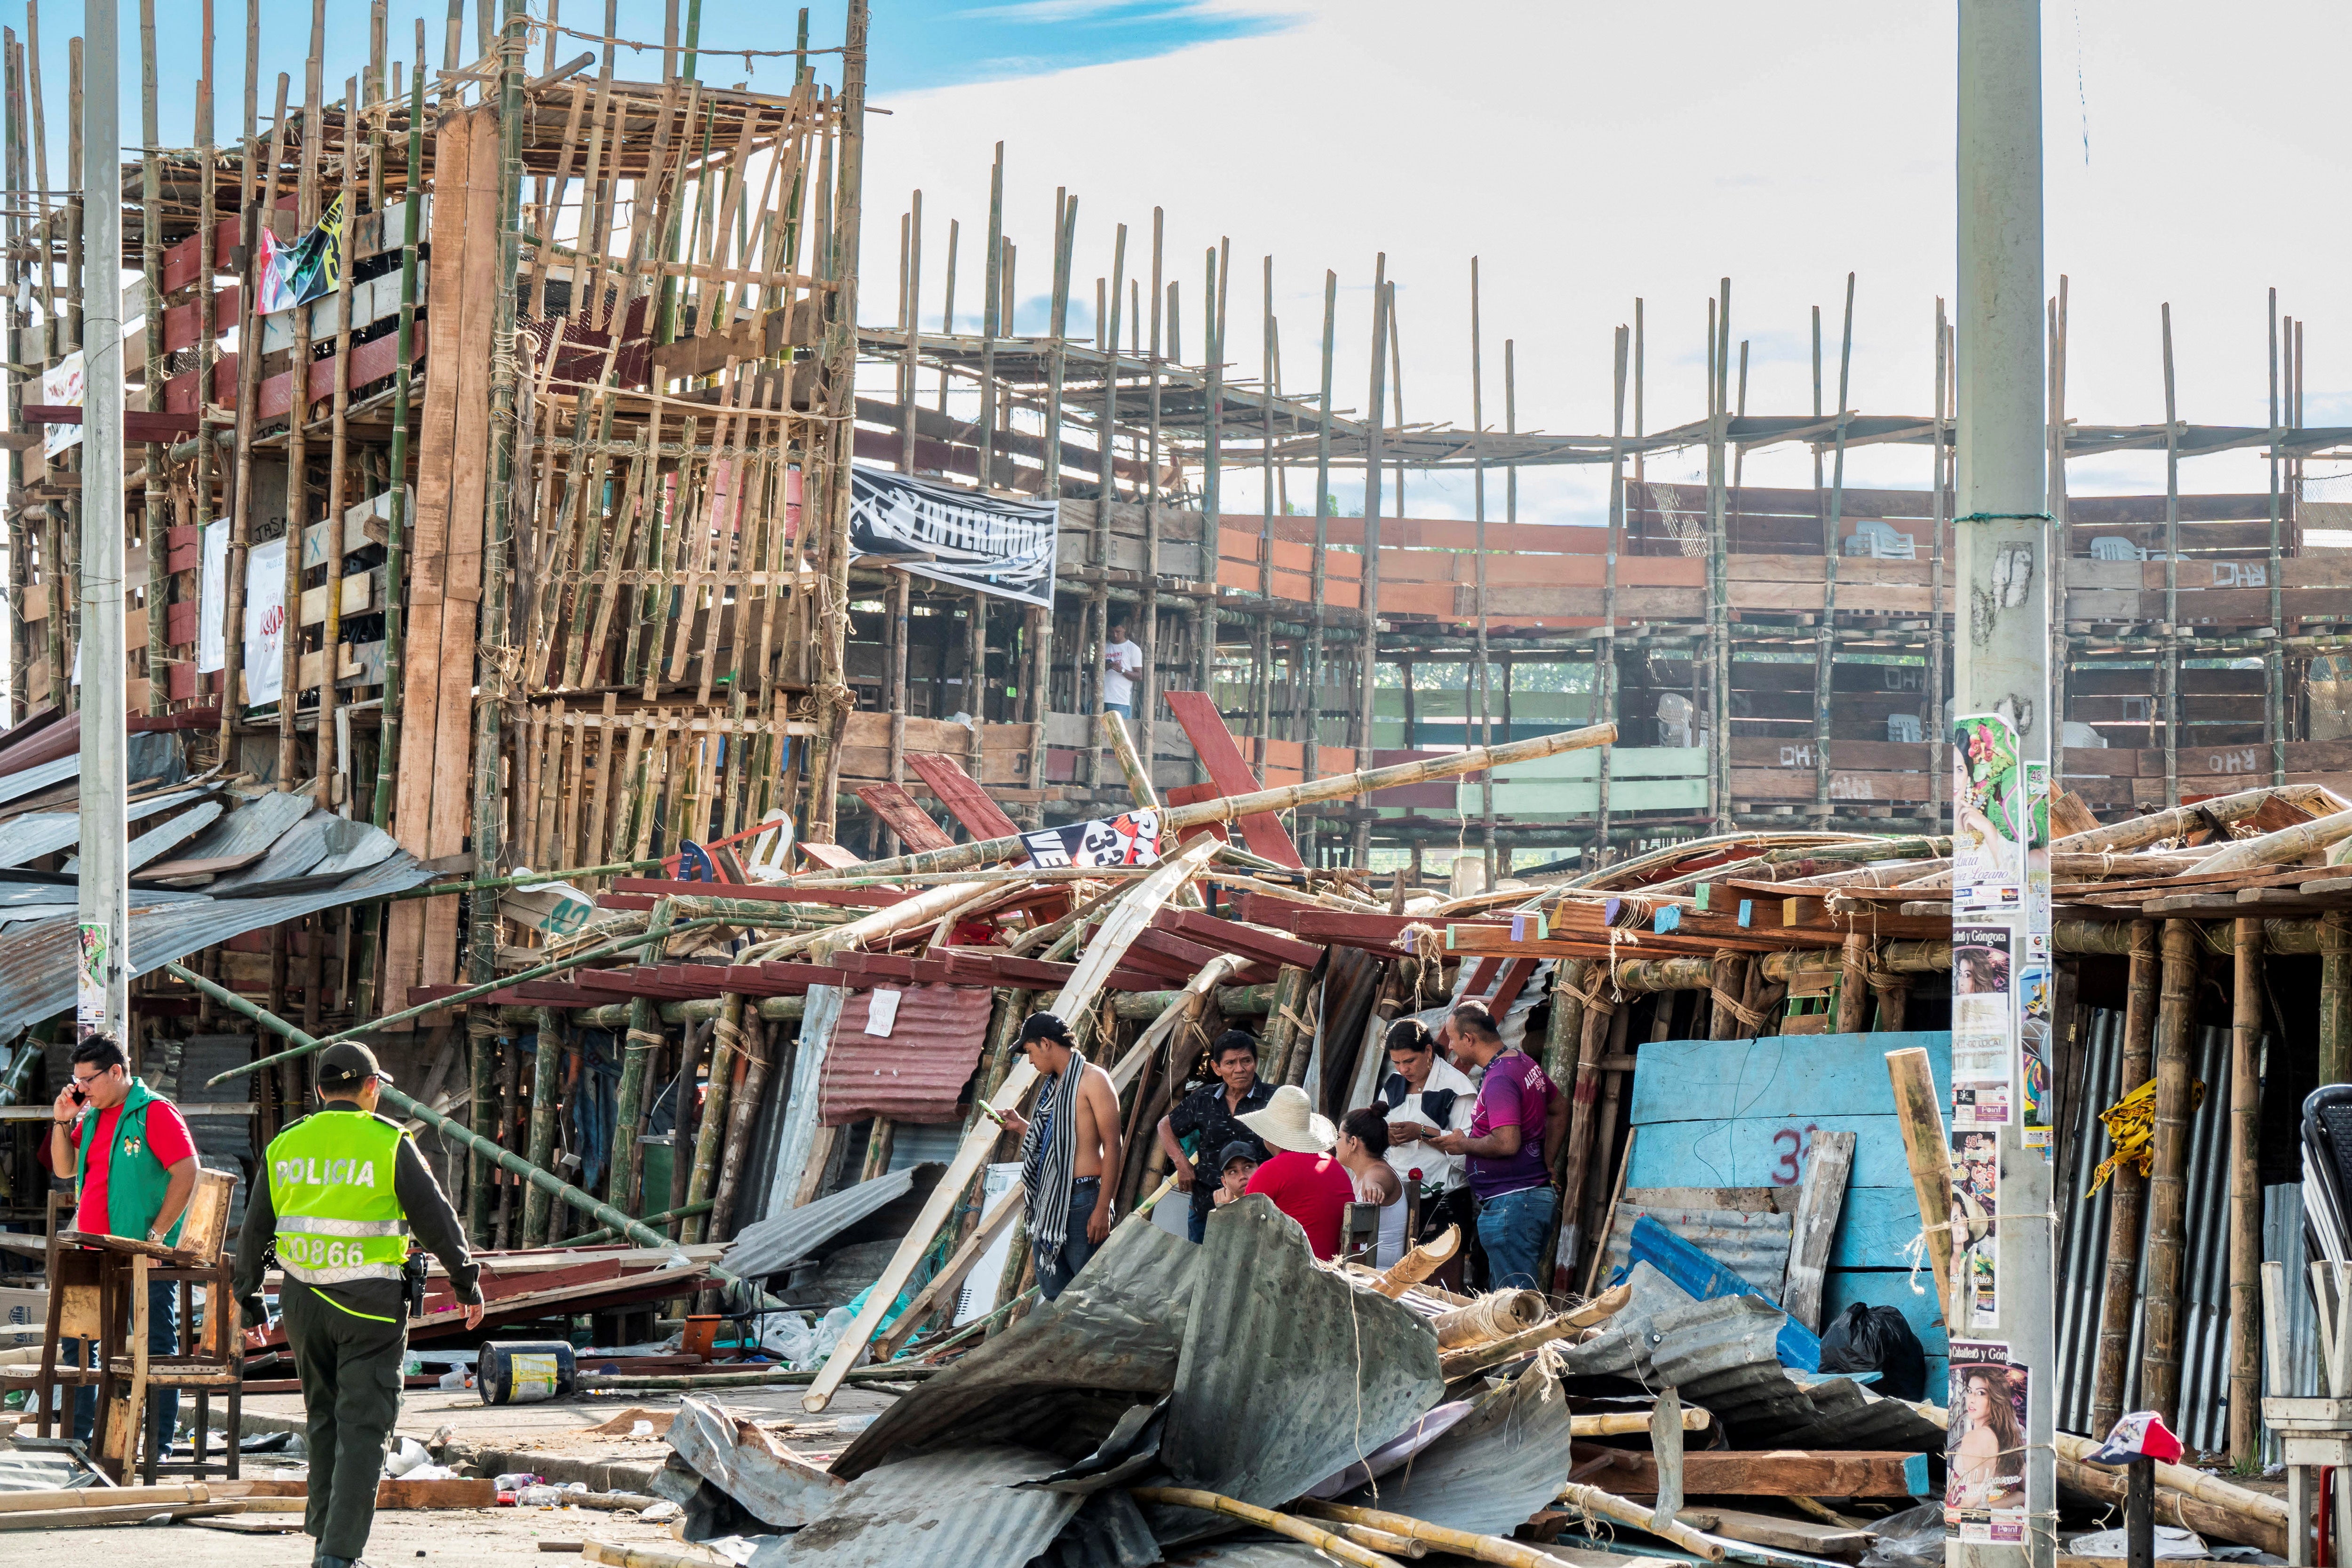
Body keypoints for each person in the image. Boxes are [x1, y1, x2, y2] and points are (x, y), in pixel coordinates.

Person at [234, 1043, 485, 1568]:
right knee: (365, 1428)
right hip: (369, 1307)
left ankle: (325, 1532)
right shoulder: (389, 1143)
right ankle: (339, 1556)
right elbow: (436, 1220)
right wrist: (466, 1283)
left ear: (321, 1090)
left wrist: (249, 1296)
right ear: (372, 1087)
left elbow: (256, 1226)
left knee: (323, 1416)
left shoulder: (287, 1144)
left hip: (302, 1303)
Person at [48, 1031, 199, 1451]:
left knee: (156, 1351)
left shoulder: (155, 1112)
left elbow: (187, 1172)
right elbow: (63, 1168)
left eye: (88, 1080)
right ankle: (81, 1443)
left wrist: (156, 1238)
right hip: (93, 1251)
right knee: (80, 1349)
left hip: (142, 1255)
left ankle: (158, 1447)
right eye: (76, 1081)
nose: (82, 1089)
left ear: (116, 1071)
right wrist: (63, 1119)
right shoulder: (91, 1117)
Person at [1432, 999, 1568, 1291]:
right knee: (1512, 1298)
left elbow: (1507, 1143)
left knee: (1514, 1304)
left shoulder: (1500, 1079)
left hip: (1513, 1205)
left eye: (1454, 1040)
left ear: (1469, 1039)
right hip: (1524, 1200)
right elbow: (1561, 1109)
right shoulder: (1522, 1062)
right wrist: (1546, 1162)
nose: (1452, 1047)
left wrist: (1463, 1144)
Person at [1000, 1012, 1122, 1300]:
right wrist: (1021, 1127)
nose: (1030, 1061)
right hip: (1050, 1201)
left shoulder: (1093, 1080)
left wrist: (1103, 1208)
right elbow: (1060, 1144)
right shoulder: (1053, 1087)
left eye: (1029, 1052)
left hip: (1084, 1201)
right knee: (1057, 1294)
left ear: (1045, 1044)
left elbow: (1113, 1145)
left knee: (1091, 1294)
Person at [1157, 1028, 1273, 1243]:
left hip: (1258, 1214)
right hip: (1206, 1208)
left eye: (1246, 1061)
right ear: (1216, 1067)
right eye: (1230, 1063)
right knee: (1202, 1272)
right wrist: (1181, 1163)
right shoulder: (1204, 1098)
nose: (1240, 1069)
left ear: (1256, 1062)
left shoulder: (1273, 1100)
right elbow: (1165, 1126)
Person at [1375, 1018, 1478, 1246]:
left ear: (1429, 1050)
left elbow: (1467, 1153)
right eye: (1397, 1063)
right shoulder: (1393, 1085)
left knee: (1441, 1279)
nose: (1403, 1069)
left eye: (1410, 1061)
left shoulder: (1456, 1087)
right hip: (1399, 1198)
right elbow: (1379, 1133)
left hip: (1445, 1199)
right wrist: (1386, 1137)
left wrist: (1421, 1132)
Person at [1238, 1083, 1357, 1259]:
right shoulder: (1334, 1166)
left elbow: (1243, 1232)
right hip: (1336, 1271)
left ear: (1269, 1134)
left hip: (1292, 1273)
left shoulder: (1271, 1171)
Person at [1333, 1108, 1405, 1266]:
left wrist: (1374, 1187)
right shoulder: (1360, 1175)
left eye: (1339, 1137)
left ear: (1353, 1143)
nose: (1336, 1144)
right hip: (1361, 1266)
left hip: (1378, 1273)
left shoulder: (1379, 1172)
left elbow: (1376, 1181)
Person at [1948, 1368, 2024, 1507]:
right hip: (1997, 1521)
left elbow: (1972, 1498)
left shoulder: (1975, 1438)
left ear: (1996, 1399)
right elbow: (2024, 1493)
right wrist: (1989, 1509)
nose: (1971, 1399)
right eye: (1970, 1391)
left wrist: (1955, 1516)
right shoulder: (2005, 1437)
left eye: (1981, 1393)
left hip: (1971, 1524)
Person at [1101, 621, 1144, 721]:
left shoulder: (1133, 649)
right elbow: (1093, 676)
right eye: (1112, 632)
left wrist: (1122, 670)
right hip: (1101, 699)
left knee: (1119, 735)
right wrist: (1106, 668)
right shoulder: (1104, 647)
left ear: (1125, 629)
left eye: (1118, 632)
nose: (1115, 635)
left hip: (1121, 701)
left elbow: (1139, 676)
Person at [1209, 1140, 1261, 1209]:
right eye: (1233, 1172)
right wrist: (1227, 1212)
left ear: (1260, 1169)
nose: (1242, 1176)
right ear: (1225, 1183)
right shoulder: (1222, 1209)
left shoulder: (1276, 1197)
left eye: (1248, 1167)